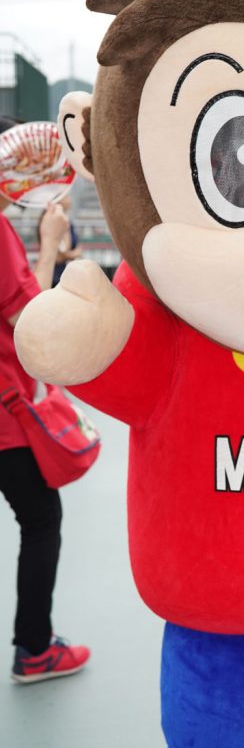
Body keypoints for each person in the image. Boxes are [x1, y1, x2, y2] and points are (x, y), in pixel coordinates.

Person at [0, 117, 90, 683]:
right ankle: (35, 648)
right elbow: (27, 319)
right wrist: (49, 248)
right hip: (6, 415)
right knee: (41, 521)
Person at [37, 190, 82, 286]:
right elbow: (59, 255)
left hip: (66, 275)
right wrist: (72, 254)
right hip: (53, 277)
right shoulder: (50, 222)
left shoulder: (68, 223)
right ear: (57, 200)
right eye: (66, 197)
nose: (70, 200)